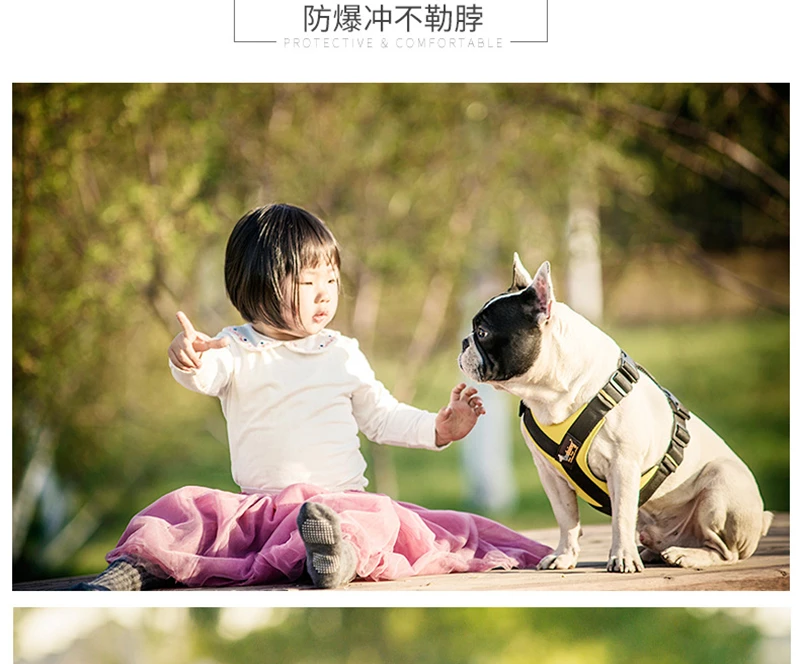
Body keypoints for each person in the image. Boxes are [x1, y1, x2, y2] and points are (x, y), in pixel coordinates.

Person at [76, 204, 550, 589]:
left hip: (341, 503)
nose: (324, 295)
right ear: (258, 285)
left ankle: (333, 557)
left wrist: (438, 427)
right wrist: (189, 357)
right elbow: (204, 374)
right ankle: (133, 570)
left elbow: (380, 416)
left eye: (331, 281)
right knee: (184, 516)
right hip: (261, 511)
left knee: (368, 523)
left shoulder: (341, 353)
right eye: (307, 283)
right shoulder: (236, 348)